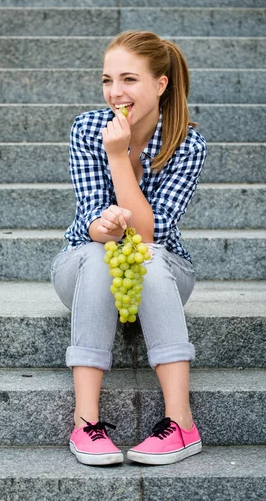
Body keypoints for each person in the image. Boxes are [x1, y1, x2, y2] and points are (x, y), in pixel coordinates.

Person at [50, 30, 207, 466]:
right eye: (107, 80)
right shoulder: (86, 128)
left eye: (129, 80)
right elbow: (91, 224)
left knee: (149, 257)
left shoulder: (188, 144)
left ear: (160, 84)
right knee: (102, 255)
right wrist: (105, 225)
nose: (114, 92)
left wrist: (118, 158)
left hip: (164, 270)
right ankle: (86, 424)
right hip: (83, 264)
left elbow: (150, 234)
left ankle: (181, 424)